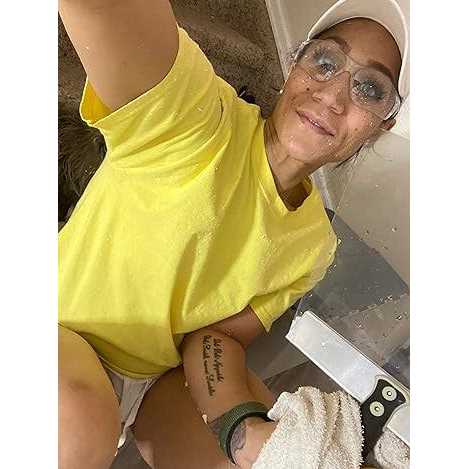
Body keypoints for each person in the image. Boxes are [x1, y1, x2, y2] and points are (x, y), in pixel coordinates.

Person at [58, 0, 408, 468]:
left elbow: (218, 336)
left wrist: (246, 434)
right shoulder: (198, 116)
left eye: (370, 89)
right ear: (293, 67)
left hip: (153, 382)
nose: (333, 95)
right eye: (325, 61)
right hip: (61, 327)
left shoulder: (314, 246)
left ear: (381, 127)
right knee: (77, 432)